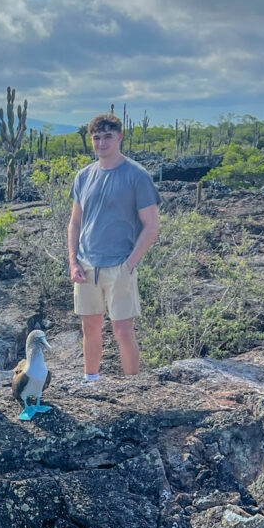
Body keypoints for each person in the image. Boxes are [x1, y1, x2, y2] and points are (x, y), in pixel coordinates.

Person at [68, 112, 160, 378]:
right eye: (96, 137)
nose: (101, 143)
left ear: (119, 137)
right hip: (86, 265)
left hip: (120, 264)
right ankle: (91, 381)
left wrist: (129, 264)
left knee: (122, 330)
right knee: (90, 327)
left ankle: (133, 387)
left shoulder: (136, 176)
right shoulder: (84, 176)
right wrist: (73, 262)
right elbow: (75, 224)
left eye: (107, 136)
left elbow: (151, 225)